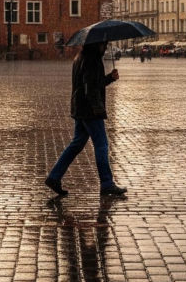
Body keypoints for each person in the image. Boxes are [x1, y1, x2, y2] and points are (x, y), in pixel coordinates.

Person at [45, 41, 127, 197]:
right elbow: (90, 87)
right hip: (90, 110)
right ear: (97, 45)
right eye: (104, 44)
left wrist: (109, 78)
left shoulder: (81, 57)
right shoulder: (92, 59)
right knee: (101, 144)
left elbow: (92, 82)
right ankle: (107, 183)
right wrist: (97, 109)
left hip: (80, 108)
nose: (105, 47)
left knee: (76, 144)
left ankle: (54, 177)